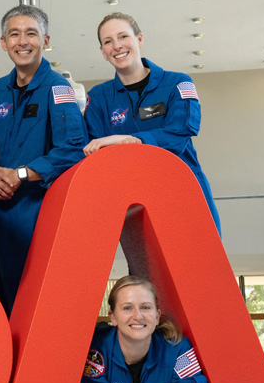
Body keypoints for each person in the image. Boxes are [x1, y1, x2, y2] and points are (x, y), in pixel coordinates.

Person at [0, 5, 87, 314]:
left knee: (32, 306)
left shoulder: (58, 89)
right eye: (14, 34)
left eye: (31, 34)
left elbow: (73, 149)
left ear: (46, 40)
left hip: (34, 215)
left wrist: (20, 174)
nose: (22, 41)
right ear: (3, 42)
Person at [83, 12, 220, 232]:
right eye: (108, 41)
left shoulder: (178, 83)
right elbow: (94, 150)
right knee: (144, 266)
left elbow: (180, 132)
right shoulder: (99, 98)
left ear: (139, 39)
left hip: (183, 192)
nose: (117, 46)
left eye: (123, 37)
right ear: (103, 52)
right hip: (135, 202)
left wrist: (130, 140)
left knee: (199, 262)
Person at [75, 275, 210, 383]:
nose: (138, 316)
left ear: (157, 316)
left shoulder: (177, 348)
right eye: (127, 308)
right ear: (113, 317)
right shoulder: (96, 350)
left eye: (146, 308)